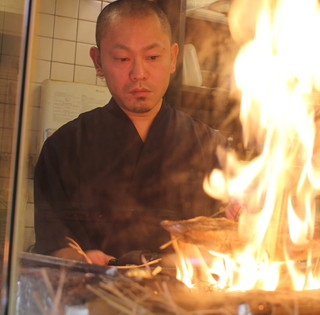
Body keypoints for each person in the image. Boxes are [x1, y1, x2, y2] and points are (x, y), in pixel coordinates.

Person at [33, 0, 226, 265]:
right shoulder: (63, 148)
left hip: (185, 302)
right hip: (95, 297)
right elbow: (54, 240)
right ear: (98, 61)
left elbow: (225, 241)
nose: (138, 73)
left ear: (172, 58)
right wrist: (76, 259)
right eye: (123, 58)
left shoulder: (209, 146)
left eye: (153, 57)